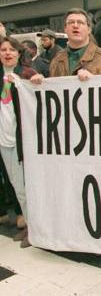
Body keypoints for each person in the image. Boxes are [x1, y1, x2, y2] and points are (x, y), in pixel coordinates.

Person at [0, 36, 37, 248]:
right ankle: (28, 221)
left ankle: (34, 227)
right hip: (4, 140)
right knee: (16, 184)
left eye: (11, 49)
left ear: (18, 52)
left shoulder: (26, 73)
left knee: (26, 185)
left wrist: (32, 82)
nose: (7, 53)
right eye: (3, 49)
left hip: (23, 141)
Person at [31, 8, 101, 82]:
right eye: (71, 22)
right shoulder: (57, 61)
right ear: (65, 29)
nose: (75, 26)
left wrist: (95, 81)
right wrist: (40, 84)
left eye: (80, 23)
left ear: (89, 29)